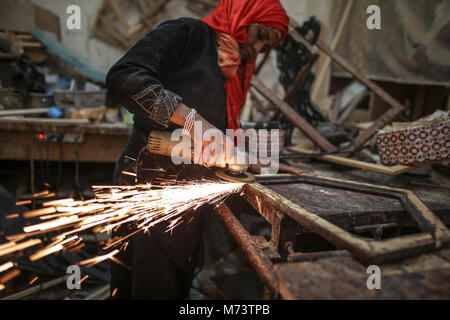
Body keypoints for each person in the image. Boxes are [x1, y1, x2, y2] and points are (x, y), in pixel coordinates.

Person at [106, 0, 289, 299]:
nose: (256, 49)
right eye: (259, 35)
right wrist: (189, 118)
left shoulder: (230, 71)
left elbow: (217, 128)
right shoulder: (187, 33)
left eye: (266, 46)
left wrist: (241, 153)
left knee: (173, 280)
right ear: (243, 15)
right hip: (148, 180)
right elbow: (123, 77)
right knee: (145, 281)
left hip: (188, 190)